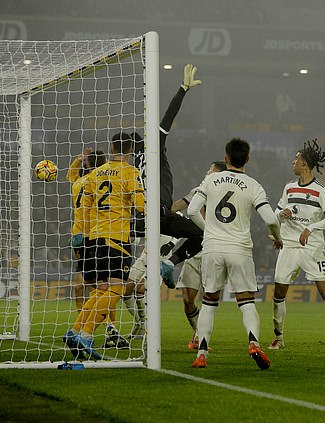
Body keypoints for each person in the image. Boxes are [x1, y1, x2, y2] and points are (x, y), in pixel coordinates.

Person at [187, 138, 282, 369]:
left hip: (212, 249)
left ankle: (201, 354)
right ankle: (253, 343)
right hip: (239, 249)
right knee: (247, 302)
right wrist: (278, 238)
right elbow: (270, 219)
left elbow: (191, 210)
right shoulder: (253, 185)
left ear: (226, 158)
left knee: (209, 303)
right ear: (247, 159)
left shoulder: (211, 179)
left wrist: (209, 230)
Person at [63, 132, 145, 360]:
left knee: (100, 289)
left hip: (95, 239)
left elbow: (85, 207)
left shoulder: (94, 174)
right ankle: (86, 335)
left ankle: (76, 330)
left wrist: (80, 234)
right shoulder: (131, 172)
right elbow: (140, 205)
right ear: (130, 151)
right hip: (117, 238)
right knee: (117, 288)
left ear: (111, 148)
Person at [269, 139, 325, 351]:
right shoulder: (289, 188)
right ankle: (279, 337)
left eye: (296, 159)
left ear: (304, 163)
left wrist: (311, 228)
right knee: (279, 292)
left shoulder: (322, 189)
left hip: (312, 247)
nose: (293, 162)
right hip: (288, 245)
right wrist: (282, 213)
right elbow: (275, 215)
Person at [131, 63, 206, 288]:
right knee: (202, 236)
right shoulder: (154, 146)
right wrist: (183, 88)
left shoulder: (132, 165)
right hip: (161, 213)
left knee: (126, 275)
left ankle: (163, 264)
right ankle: (170, 262)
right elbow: (168, 116)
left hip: (140, 218)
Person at [171, 160, 227, 350]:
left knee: (209, 296)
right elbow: (178, 206)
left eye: (210, 169)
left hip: (214, 248)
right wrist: (162, 212)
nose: (206, 171)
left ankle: (201, 338)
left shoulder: (227, 192)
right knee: (188, 298)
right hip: (196, 247)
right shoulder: (198, 190)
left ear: (218, 174)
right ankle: (197, 332)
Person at [66, 148, 105, 311]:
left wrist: (78, 159)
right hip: (79, 236)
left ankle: (100, 321)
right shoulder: (82, 180)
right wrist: (79, 160)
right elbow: (71, 175)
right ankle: (82, 321)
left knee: (93, 285)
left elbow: (70, 175)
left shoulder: (94, 180)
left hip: (92, 236)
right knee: (81, 286)